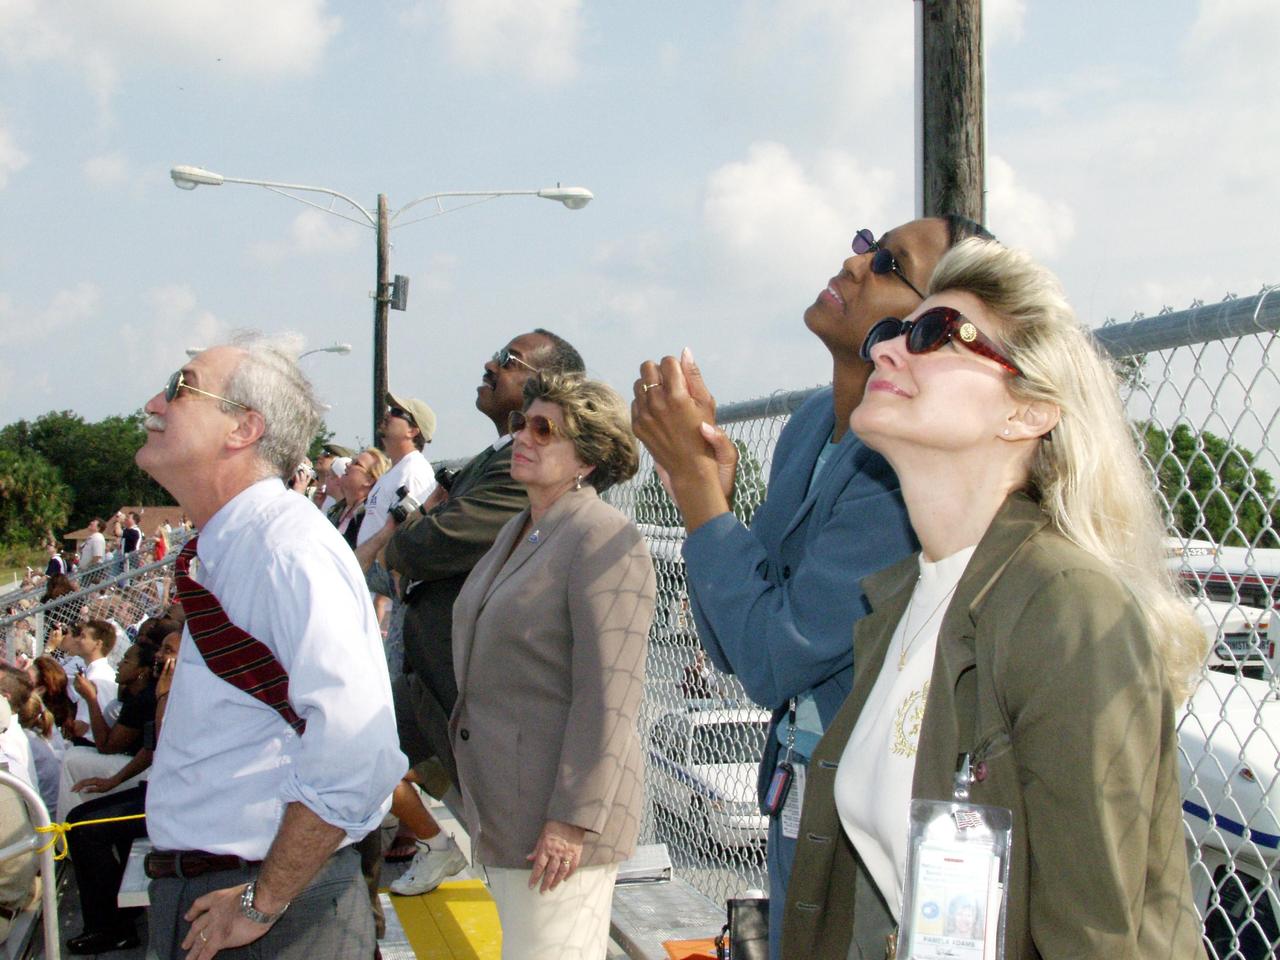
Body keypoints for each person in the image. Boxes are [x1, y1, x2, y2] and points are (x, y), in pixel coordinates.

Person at [782, 240, 1204, 957]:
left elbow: (1094, 937)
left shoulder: (1068, 610)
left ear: (1029, 411)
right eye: (891, 333)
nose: (886, 351)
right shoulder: (902, 604)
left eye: (933, 335)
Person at [631, 216, 991, 956]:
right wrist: (711, 500)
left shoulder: (898, 461)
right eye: (865, 242)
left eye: (888, 263)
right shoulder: (808, 427)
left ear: (935, 325)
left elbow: (772, 658)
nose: (855, 263)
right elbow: (731, 643)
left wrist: (701, 495)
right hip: (797, 780)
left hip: (869, 804)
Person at [134, 335, 405, 960]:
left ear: (244, 427)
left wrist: (264, 900)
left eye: (181, 387)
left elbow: (357, 750)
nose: (155, 402)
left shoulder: (288, 551)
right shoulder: (240, 544)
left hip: (265, 913)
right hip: (225, 896)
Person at [451, 373, 655, 960]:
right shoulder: (521, 530)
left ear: (587, 460)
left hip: (558, 822)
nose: (524, 436)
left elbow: (609, 695)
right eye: (523, 422)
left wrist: (571, 821)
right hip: (511, 809)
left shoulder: (602, 538)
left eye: (546, 430)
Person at [329, 448, 389, 549]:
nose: (347, 465)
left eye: (356, 463)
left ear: (369, 480)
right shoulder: (335, 510)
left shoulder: (371, 516)